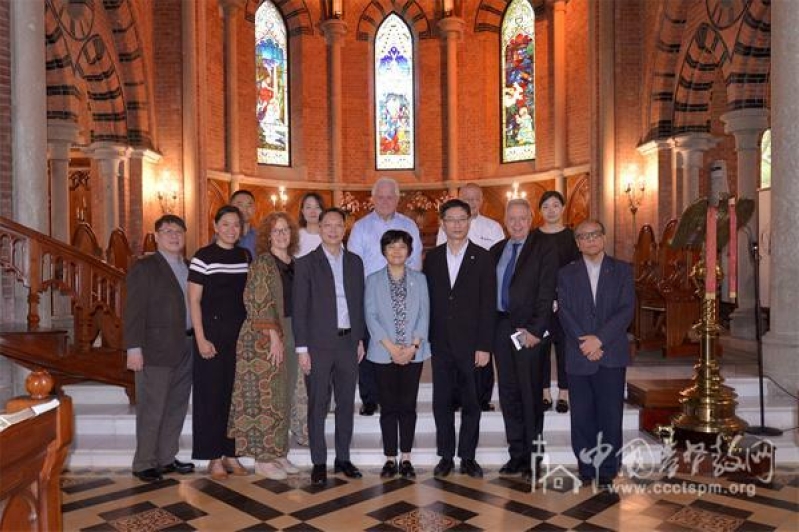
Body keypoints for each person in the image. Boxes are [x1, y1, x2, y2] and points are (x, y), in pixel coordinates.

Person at [557, 219, 635, 490]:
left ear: (603, 237)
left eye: (594, 235)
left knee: (610, 414)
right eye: (583, 236)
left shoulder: (622, 270)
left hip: (611, 353)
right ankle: (587, 467)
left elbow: (626, 310)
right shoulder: (566, 274)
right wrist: (585, 343)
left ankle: (609, 469)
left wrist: (599, 339)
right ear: (577, 243)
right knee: (582, 416)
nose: (590, 240)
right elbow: (564, 312)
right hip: (579, 355)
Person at [293, 207, 366, 486]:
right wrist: (302, 349)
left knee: (346, 403)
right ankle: (319, 461)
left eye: (338, 225)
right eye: (328, 225)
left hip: (348, 342)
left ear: (345, 229)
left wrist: (359, 338)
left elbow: (358, 302)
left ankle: (343, 458)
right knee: (318, 404)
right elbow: (299, 309)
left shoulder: (355, 262)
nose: (333, 230)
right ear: (320, 228)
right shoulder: (306, 263)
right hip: (318, 345)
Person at [423, 199, 496, 478]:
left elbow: (488, 304)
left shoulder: (484, 256)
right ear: (443, 223)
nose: (456, 224)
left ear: (469, 221)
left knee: (471, 403)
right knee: (441, 402)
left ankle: (468, 456)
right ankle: (445, 456)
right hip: (441, 343)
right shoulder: (433, 257)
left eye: (461, 219)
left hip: (472, 345)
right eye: (451, 219)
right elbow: (428, 301)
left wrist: (484, 346)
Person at [228, 212, 303, 480]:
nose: (282, 235)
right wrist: (273, 337)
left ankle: (279, 452)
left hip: (292, 330)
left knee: (284, 395)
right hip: (264, 335)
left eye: (285, 230)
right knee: (266, 396)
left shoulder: (294, 263)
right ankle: (263, 459)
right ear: (267, 236)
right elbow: (256, 301)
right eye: (276, 231)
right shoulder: (262, 263)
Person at [490, 199, 558, 481]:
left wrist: (535, 330)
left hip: (528, 332)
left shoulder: (544, 249)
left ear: (531, 219)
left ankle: (534, 458)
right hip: (501, 328)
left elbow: (547, 293)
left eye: (522, 218)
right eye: (512, 218)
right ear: (505, 220)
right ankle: (516, 455)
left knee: (530, 395)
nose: (517, 223)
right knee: (509, 393)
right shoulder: (496, 250)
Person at [124, 214, 195, 483]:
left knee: (176, 405)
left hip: (186, 346)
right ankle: (144, 462)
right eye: (168, 231)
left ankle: (166, 458)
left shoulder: (189, 266)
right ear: (156, 236)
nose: (174, 236)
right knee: (152, 407)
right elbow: (133, 312)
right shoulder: (145, 268)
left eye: (178, 231)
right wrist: (133, 348)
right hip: (155, 349)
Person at [348, 177, 422, 416]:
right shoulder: (361, 227)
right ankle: (370, 398)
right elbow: (353, 264)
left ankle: (398, 396)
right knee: (370, 346)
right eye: (380, 196)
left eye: (390, 196)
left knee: (399, 343)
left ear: (398, 199)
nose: (385, 201)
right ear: (372, 199)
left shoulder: (409, 225)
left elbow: (416, 262)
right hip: (371, 295)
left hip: (402, 296)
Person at [188, 205, 251, 480]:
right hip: (211, 337)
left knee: (234, 398)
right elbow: (194, 300)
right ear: (215, 226)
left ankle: (231, 454)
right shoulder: (203, 257)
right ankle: (213, 457)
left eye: (236, 224)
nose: (231, 229)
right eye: (225, 224)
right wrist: (200, 338)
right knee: (211, 398)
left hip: (239, 337)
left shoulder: (244, 256)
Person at [364, 230, 430, 479]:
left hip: (414, 351)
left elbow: (425, 314)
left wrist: (412, 347)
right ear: (383, 251)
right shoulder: (373, 280)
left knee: (407, 406)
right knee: (389, 407)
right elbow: (371, 316)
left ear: (409, 251)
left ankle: (406, 458)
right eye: (391, 247)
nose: (396, 251)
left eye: (401, 247)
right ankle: (390, 458)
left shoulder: (420, 280)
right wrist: (392, 348)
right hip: (383, 352)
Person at [436, 182, 505, 412]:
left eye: (476, 198)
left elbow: (497, 263)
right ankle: (456, 398)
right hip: (453, 308)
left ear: (482, 200)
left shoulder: (493, 227)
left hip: (480, 296)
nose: (472, 202)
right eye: (467, 198)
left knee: (481, 360)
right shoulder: (446, 228)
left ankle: (483, 398)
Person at [536, 191, 580, 414]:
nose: (551, 210)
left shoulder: (573, 237)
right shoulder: (534, 237)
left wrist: (561, 298)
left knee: (565, 348)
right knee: (541, 349)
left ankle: (564, 393)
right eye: (546, 206)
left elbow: (577, 272)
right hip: (540, 304)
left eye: (555, 205)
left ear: (563, 208)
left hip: (566, 304)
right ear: (540, 210)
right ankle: (544, 393)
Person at [231, 189, 257, 258]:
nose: (245, 209)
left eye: (249, 205)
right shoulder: (223, 235)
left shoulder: (260, 236)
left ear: (254, 209)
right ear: (231, 207)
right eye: (240, 205)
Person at [297, 192, 325, 258]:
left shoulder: (331, 235)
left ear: (323, 211)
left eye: (317, 207)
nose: (313, 211)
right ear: (302, 211)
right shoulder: (295, 237)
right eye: (308, 207)